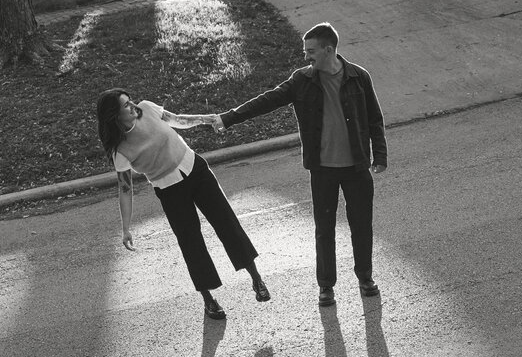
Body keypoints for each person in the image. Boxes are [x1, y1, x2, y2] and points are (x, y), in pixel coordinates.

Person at [213, 22, 387, 307]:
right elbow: (266, 101)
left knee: (362, 226)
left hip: (356, 168)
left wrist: (379, 155)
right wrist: (228, 118)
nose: (306, 56)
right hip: (322, 169)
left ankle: (365, 277)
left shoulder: (359, 76)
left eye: (311, 51)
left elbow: (374, 118)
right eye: (305, 51)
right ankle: (326, 286)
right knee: (324, 229)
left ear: (329, 50)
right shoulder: (301, 80)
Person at [97, 89, 270, 320]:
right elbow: (125, 190)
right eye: (126, 105)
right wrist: (126, 228)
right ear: (115, 116)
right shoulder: (120, 150)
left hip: (196, 170)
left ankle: (256, 279)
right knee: (191, 243)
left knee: (227, 223)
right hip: (170, 191)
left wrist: (207, 119)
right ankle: (209, 300)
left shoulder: (147, 108)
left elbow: (177, 119)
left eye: (131, 101)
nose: (133, 106)